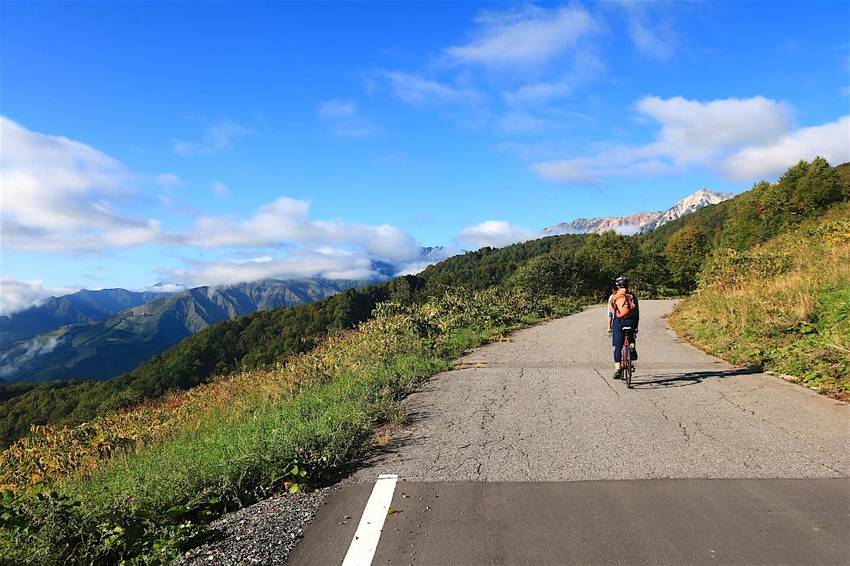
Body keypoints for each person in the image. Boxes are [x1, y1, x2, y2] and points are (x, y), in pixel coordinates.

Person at [607, 276, 639, 379]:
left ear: (617, 285)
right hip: (631, 321)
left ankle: (618, 369)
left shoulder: (613, 296)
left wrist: (609, 327)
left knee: (618, 347)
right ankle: (632, 348)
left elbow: (610, 313)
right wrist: (636, 326)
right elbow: (637, 313)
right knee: (631, 337)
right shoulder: (632, 296)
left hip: (619, 322)